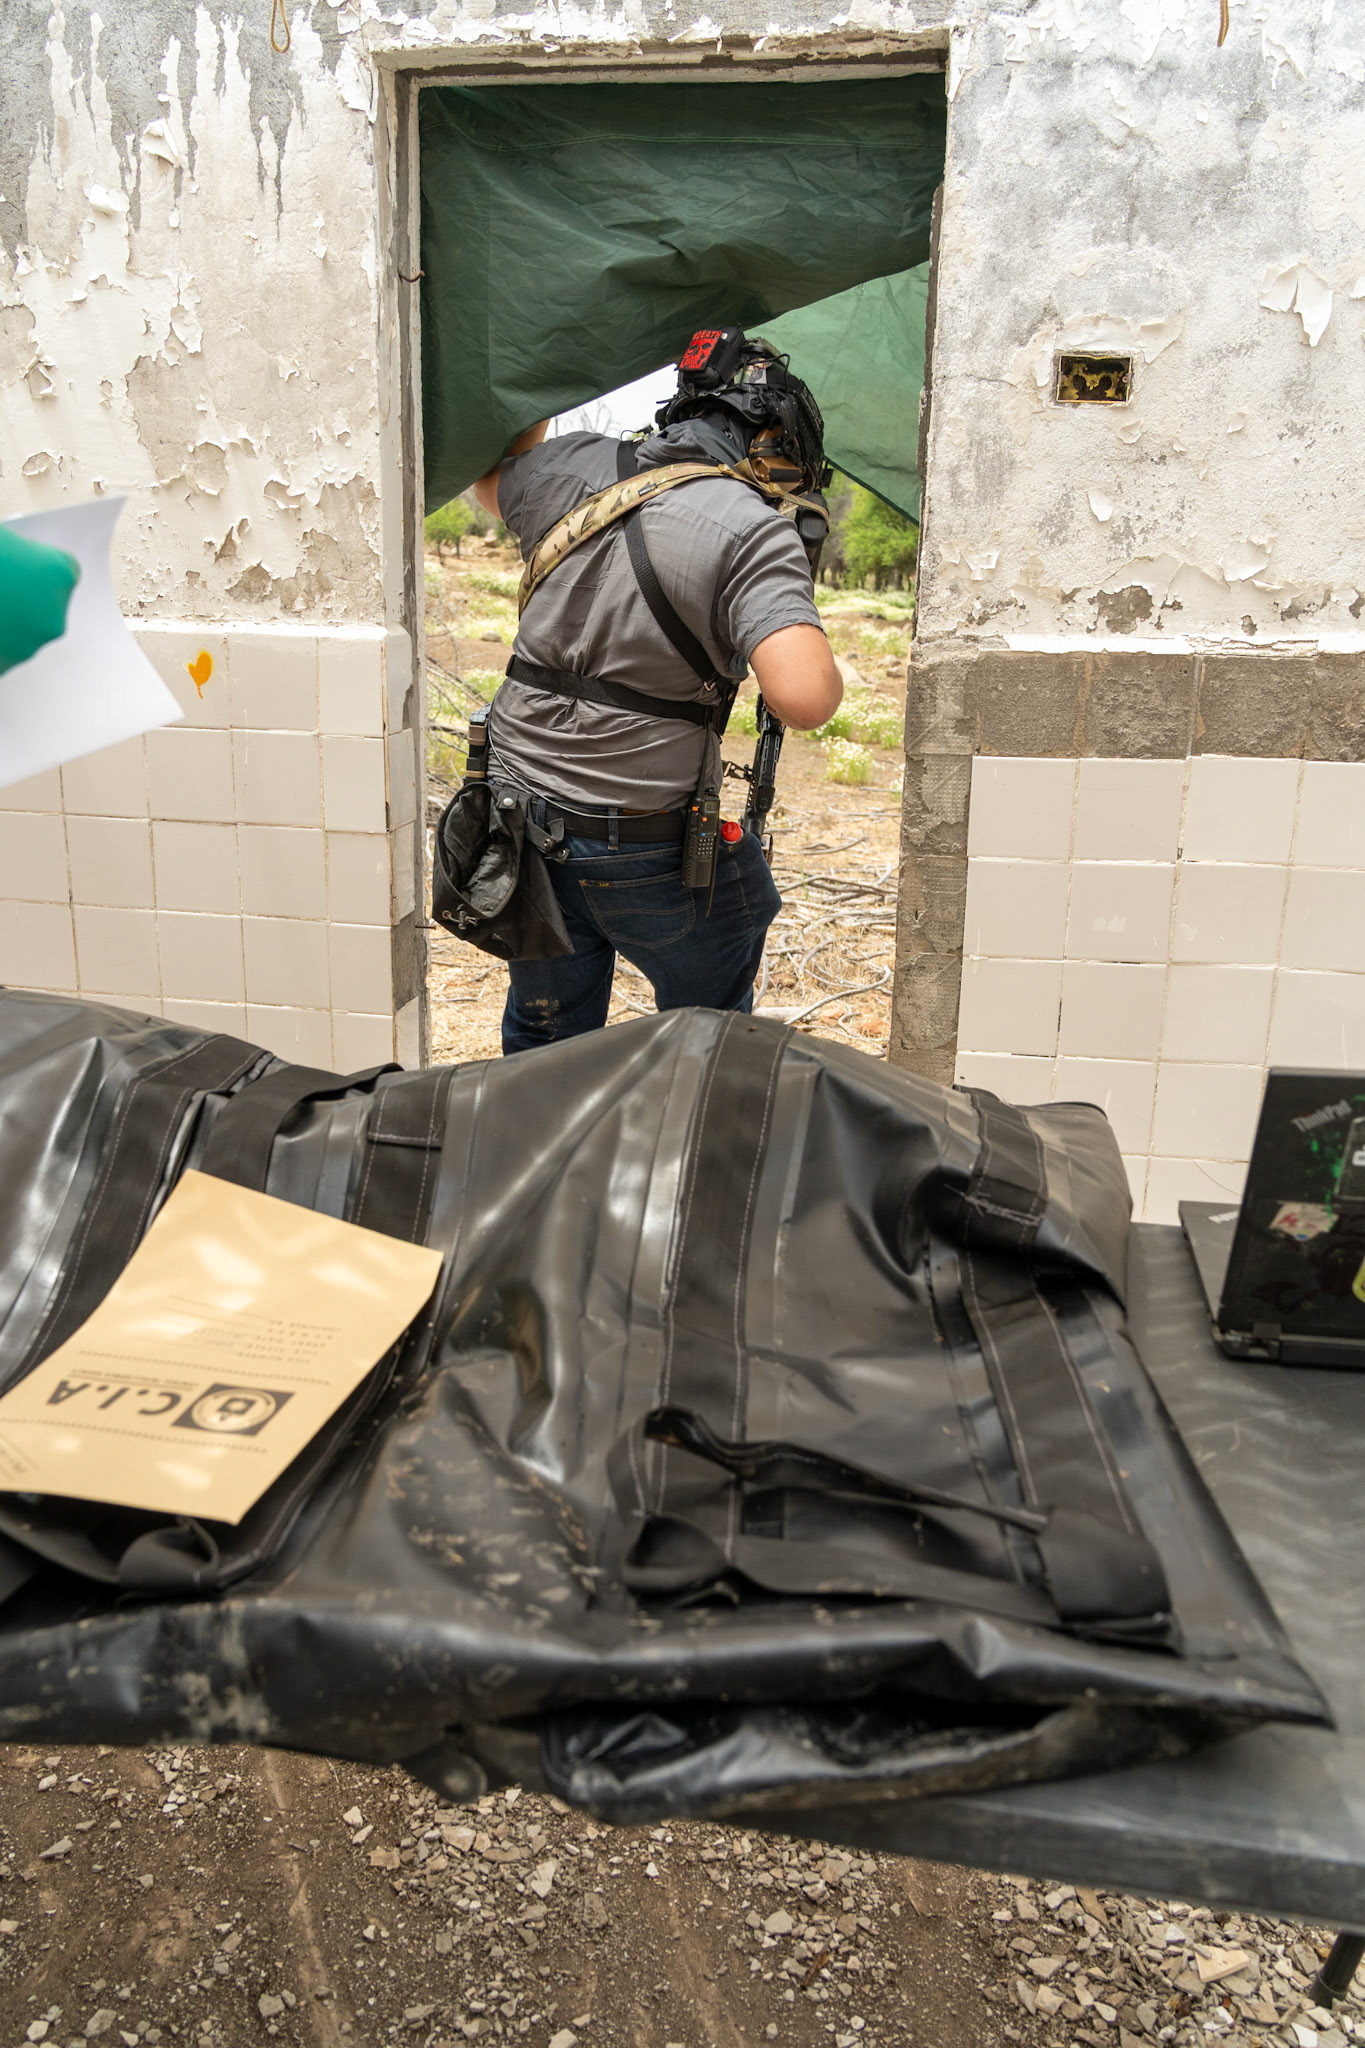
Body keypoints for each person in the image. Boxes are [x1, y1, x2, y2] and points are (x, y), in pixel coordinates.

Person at [470, 328, 843, 1054]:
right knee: (708, 1037)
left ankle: (539, 1119)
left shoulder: (565, 465)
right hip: (644, 844)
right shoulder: (750, 527)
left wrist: (537, 384)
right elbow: (805, 699)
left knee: (545, 1034)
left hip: (516, 814)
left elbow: (490, 478)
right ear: (768, 439)